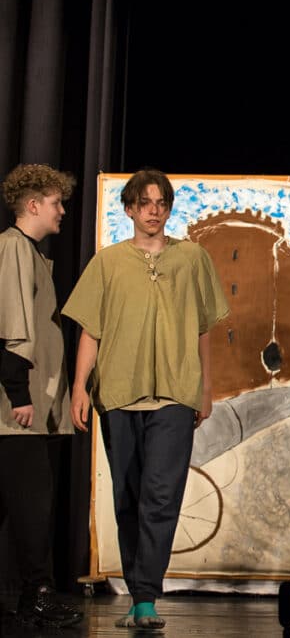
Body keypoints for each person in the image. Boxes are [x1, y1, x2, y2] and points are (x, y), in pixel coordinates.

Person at [63, 168, 229, 630]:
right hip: (120, 392)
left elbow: (203, 328)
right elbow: (91, 329)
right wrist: (79, 386)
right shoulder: (108, 262)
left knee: (161, 494)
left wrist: (205, 387)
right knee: (129, 495)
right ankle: (139, 593)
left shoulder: (192, 257)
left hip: (175, 394)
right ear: (130, 209)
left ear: (169, 209)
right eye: (145, 203)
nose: (153, 211)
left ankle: (145, 597)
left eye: (161, 203)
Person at [0, 164, 83, 628]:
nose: (62, 211)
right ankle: (38, 594)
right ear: (33, 205)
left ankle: (33, 593)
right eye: (55, 203)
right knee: (33, 503)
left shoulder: (26, 252)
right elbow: (11, 325)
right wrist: (19, 394)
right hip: (16, 408)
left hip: (21, 405)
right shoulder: (14, 247)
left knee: (16, 500)